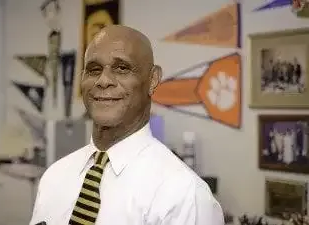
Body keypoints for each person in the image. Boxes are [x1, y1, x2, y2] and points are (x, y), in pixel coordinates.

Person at [29, 25, 224, 225]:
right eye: (94, 69)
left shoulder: (184, 196)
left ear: (152, 80)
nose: (103, 80)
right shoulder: (54, 177)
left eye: (122, 68)